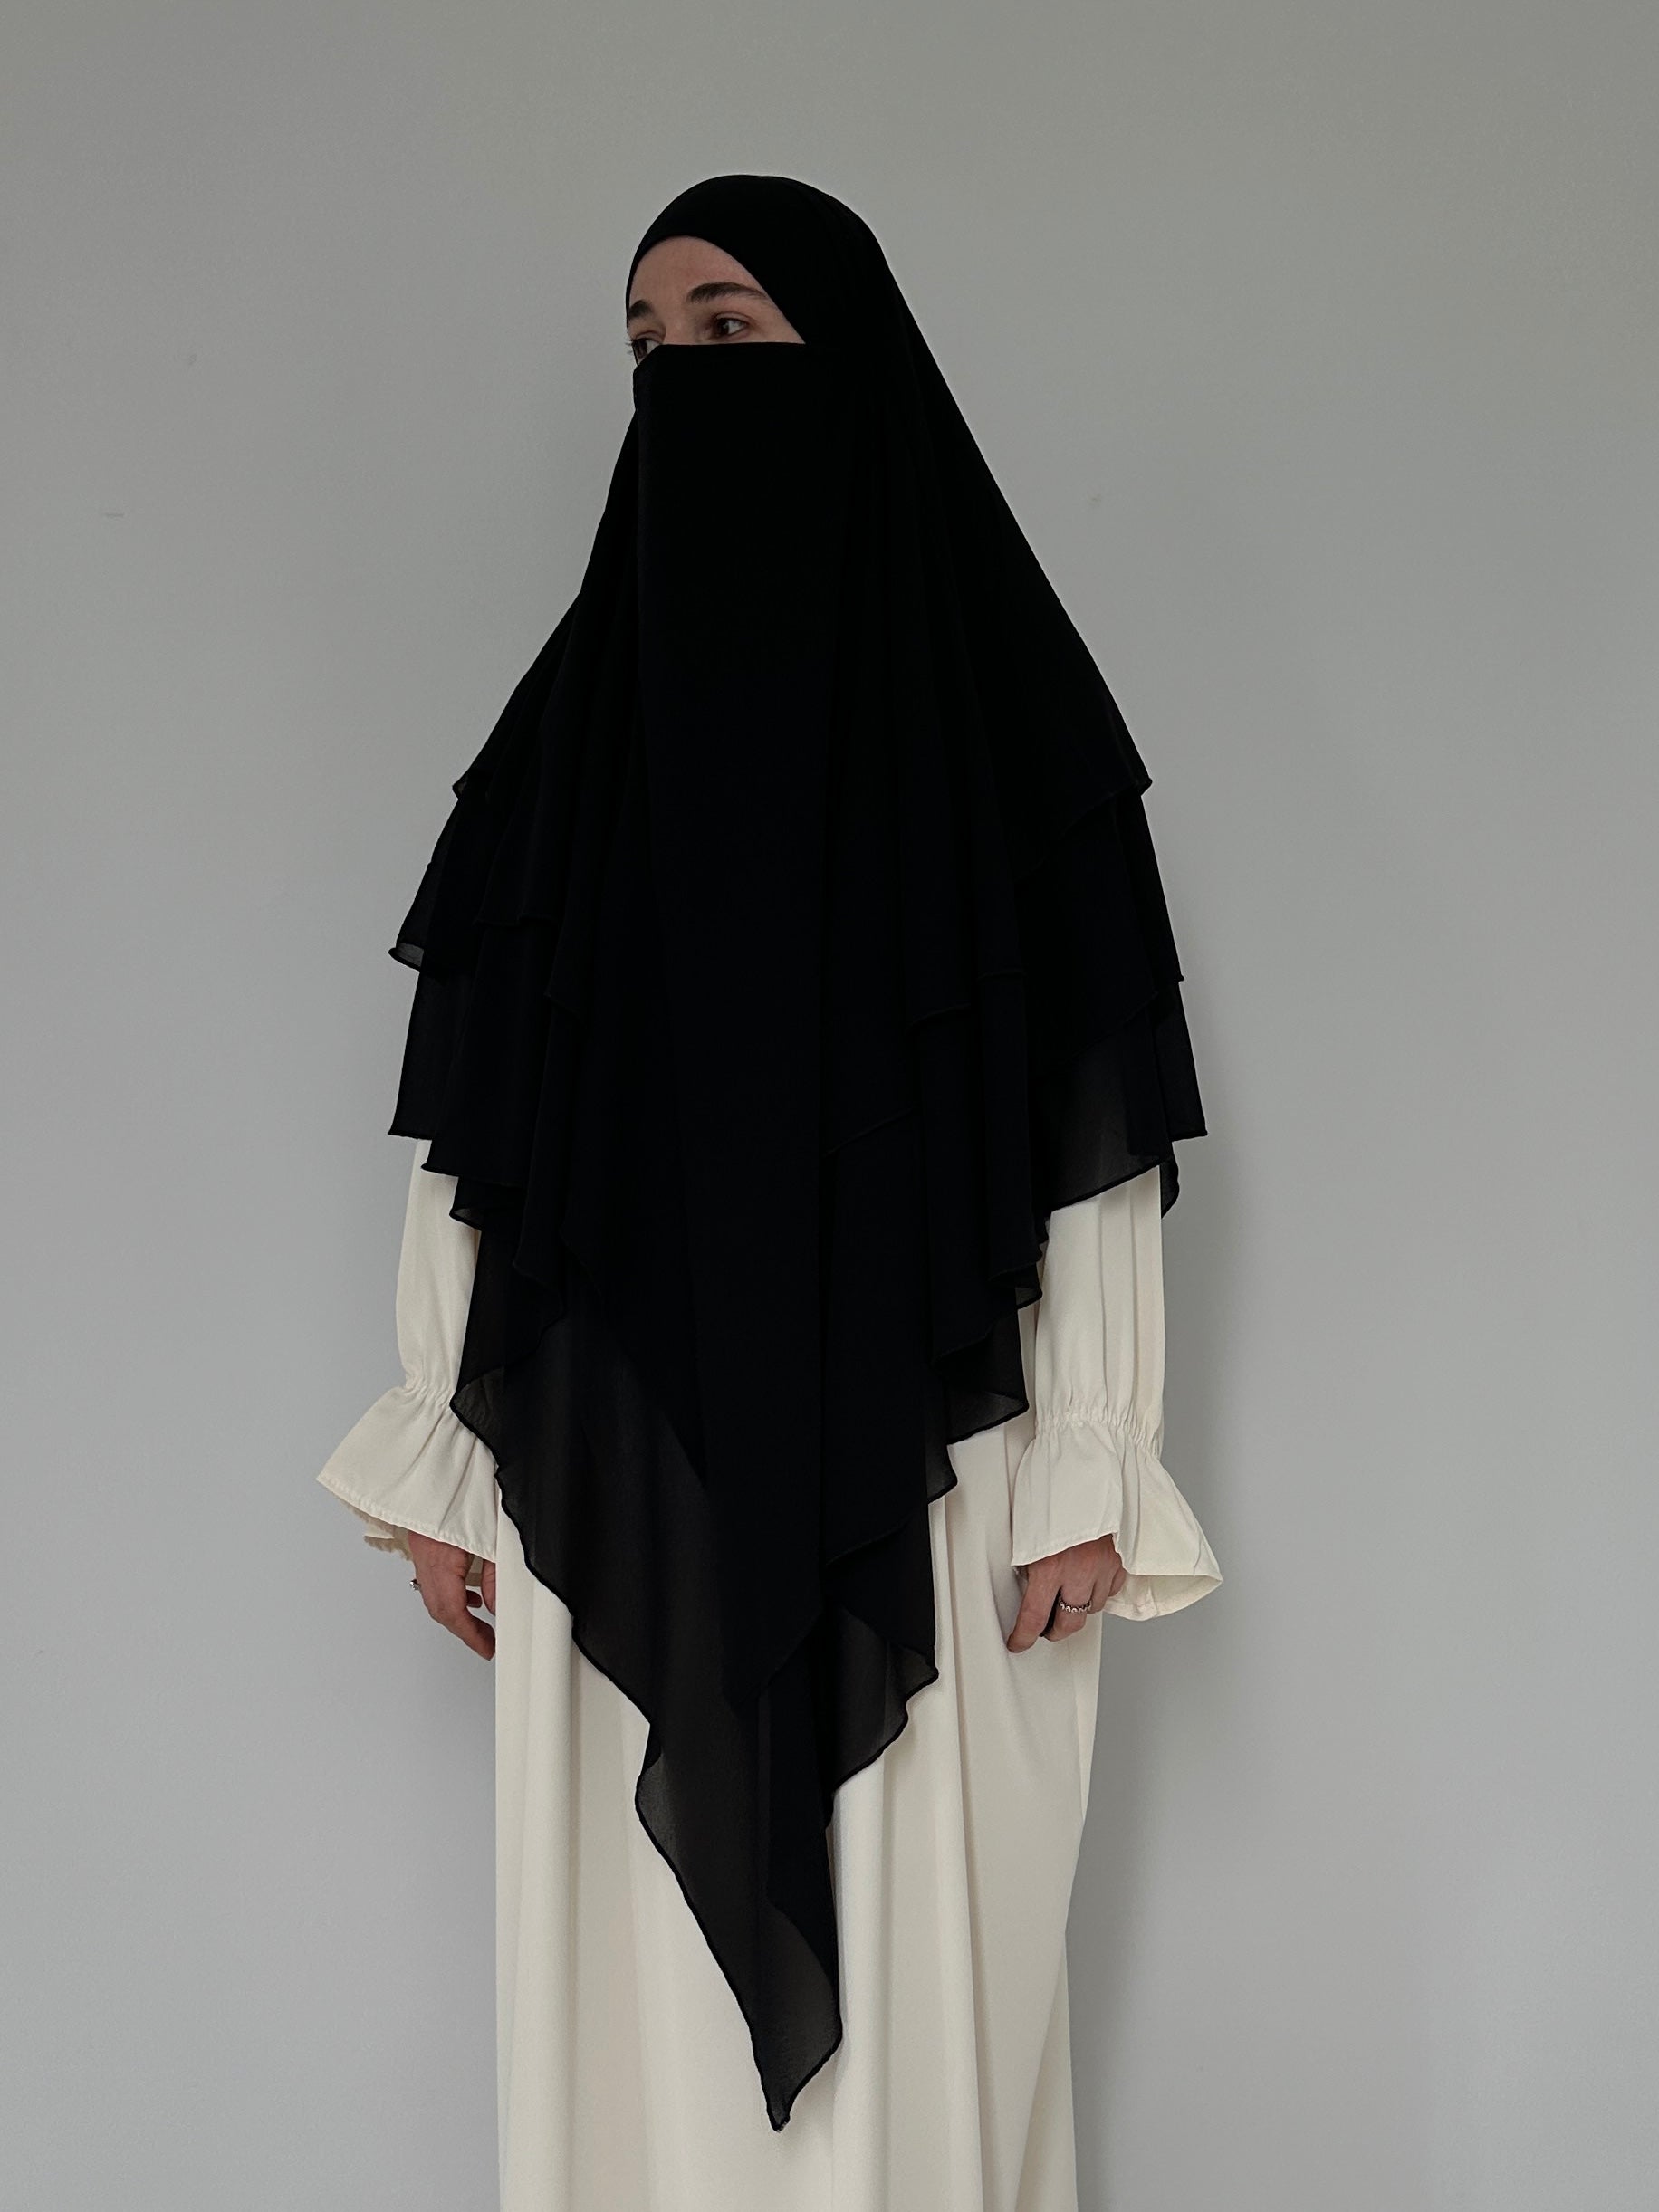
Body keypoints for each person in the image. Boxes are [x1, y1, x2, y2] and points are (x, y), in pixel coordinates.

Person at [318, 174, 1222, 2212]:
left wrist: (1090, 1448)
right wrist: (450, 1443)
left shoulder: (1012, 746)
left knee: (929, 1983)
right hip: (628, 1457)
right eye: (650, 346)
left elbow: (1087, 1116)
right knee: (634, 2013)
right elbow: (488, 1124)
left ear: (853, 361)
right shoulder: (570, 760)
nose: (682, 378)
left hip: (944, 1462)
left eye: (731, 330)